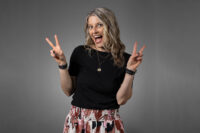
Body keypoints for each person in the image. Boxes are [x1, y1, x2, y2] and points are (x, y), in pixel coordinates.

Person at [45, 7, 145, 133]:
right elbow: (68, 91)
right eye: (90, 26)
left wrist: (130, 71)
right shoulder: (80, 52)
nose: (94, 31)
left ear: (110, 27)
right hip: (77, 122)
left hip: (108, 124)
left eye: (99, 25)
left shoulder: (125, 59)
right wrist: (62, 64)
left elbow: (121, 100)